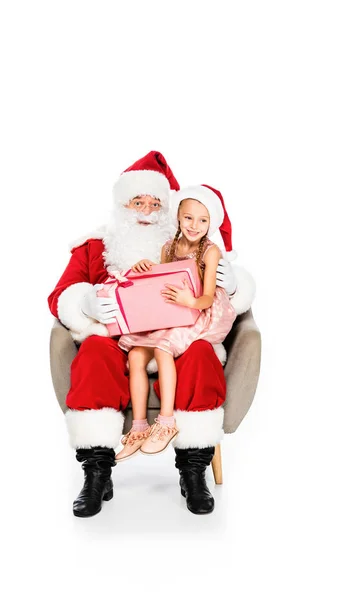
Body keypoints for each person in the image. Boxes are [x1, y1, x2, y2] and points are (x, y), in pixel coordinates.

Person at [48, 150, 256, 517]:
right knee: (94, 353)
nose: (146, 210)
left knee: (202, 356)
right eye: (137, 201)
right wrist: (86, 304)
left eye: (155, 202)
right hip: (118, 339)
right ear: (121, 205)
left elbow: (222, 298)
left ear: (169, 211)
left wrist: (235, 285)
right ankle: (97, 470)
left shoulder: (188, 245)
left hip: (182, 334)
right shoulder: (94, 246)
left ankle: (193, 469)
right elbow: (60, 295)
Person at [115, 187, 237, 461]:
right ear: (179, 218)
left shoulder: (210, 251)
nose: (195, 226)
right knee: (135, 354)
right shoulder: (168, 247)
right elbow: (162, 282)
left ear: (211, 223)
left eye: (203, 220)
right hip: (170, 310)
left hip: (197, 311)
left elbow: (206, 298)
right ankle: (139, 428)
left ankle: (166, 421)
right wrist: (145, 268)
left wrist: (188, 300)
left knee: (162, 348)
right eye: (189, 218)